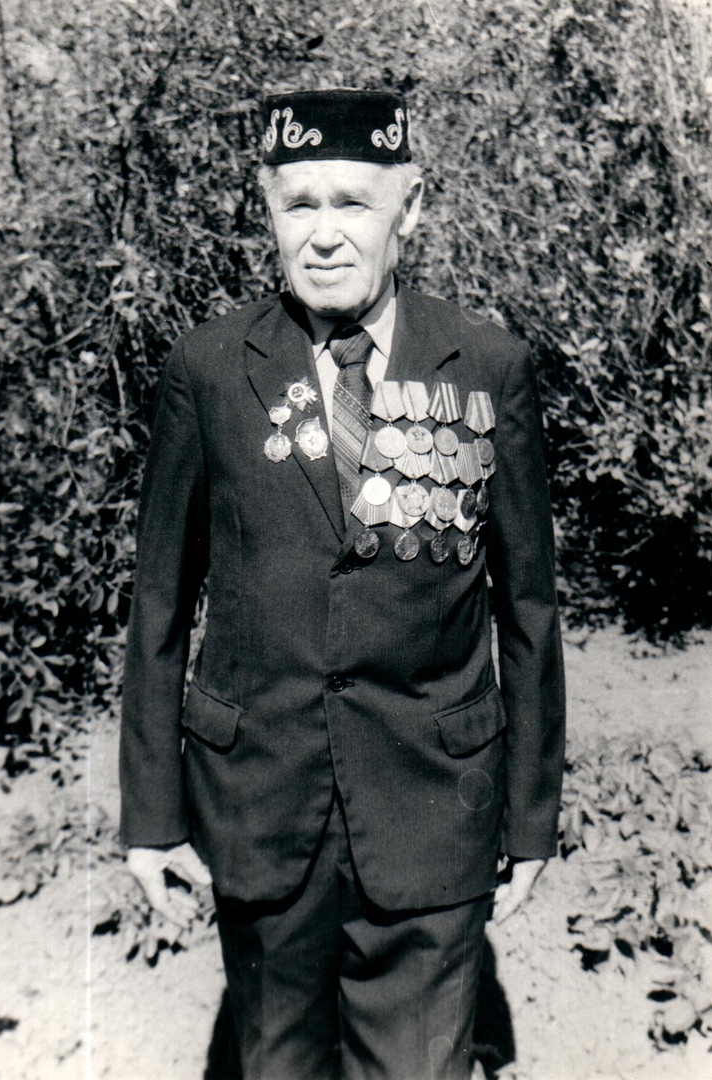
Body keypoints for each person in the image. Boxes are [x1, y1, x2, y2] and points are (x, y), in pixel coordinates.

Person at [120, 88, 565, 1080]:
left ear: (411, 209)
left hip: (434, 806)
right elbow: (159, 604)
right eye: (300, 204)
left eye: (354, 202)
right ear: (268, 213)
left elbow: (528, 610)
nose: (324, 234)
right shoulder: (209, 368)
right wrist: (151, 815)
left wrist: (530, 818)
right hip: (260, 805)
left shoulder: (487, 366)